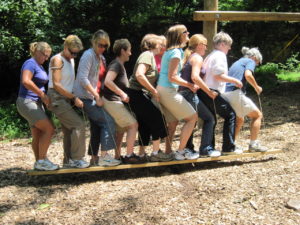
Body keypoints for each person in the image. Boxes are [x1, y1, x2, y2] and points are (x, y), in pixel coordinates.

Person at [73, 30, 121, 167]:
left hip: (95, 97)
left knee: (97, 127)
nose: (102, 48)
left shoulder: (102, 58)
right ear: (93, 42)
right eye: (100, 45)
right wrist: (96, 96)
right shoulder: (88, 56)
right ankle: (105, 157)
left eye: (105, 46)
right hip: (86, 97)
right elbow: (82, 78)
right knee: (108, 122)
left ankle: (94, 159)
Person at [127, 34, 173, 162]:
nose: (162, 46)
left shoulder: (150, 56)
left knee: (145, 123)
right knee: (158, 119)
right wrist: (153, 91)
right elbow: (139, 75)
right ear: (153, 44)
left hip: (138, 94)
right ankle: (155, 153)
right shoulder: (147, 55)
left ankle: (142, 155)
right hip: (136, 93)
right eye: (160, 44)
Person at [156, 24, 199, 160]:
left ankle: (169, 153)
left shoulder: (171, 51)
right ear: (180, 36)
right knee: (192, 118)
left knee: (173, 123)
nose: (188, 33)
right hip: (168, 91)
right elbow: (172, 76)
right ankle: (181, 151)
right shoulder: (175, 53)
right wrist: (190, 85)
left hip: (164, 90)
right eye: (186, 32)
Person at [47, 35, 89, 168]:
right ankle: (77, 159)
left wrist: (74, 96)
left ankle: (68, 161)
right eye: (72, 52)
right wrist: (73, 98)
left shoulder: (71, 60)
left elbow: (70, 83)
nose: (73, 55)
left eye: (76, 53)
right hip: (57, 97)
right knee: (78, 125)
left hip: (66, 97)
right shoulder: (57, 60)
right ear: (65, 47)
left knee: (69, 130)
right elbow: (57, 84)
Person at [199, 31, 243, 155]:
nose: (229, 48)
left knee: (211, 119)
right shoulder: (219, 55)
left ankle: (209, 148)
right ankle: (228, 147)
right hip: (211, 91)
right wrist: (234, 80)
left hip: (204, 91)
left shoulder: (210, 55)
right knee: (231, 115)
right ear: (222, 44)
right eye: (228, 45)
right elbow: (218, 75)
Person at [16, 42, 58, 171]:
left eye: (48, 56)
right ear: (37, 52)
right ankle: (41, 160)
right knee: (49, 129)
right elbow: (26, 81)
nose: (46, 58)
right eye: (45, 55)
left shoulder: (39, 65)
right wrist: (41, 94)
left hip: (35, 102)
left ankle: (39, 162)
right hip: (27, 102)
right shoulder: (30, 63)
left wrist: (44, 99)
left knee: (38, 134)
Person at [179, 34, 220, 157]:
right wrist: (209, 91)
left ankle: (188, 148)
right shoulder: (197, 58)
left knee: (191, 120)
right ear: (199, 45)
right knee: (209, 119)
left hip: (183, 92)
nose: (206, 48)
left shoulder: (189, 56)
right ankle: (205, 149)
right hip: (188, 93)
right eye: (205, 45)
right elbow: (195, 77)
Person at [102, 39, 142, 164]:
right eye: (129, 50)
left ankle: (117, 156)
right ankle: (129, 155)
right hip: (111, 101)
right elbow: (108, 81)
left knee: (121, 128)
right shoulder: (116, 65)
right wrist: (122, 94)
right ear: (123, 51)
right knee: (133, 125)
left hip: (114, 101)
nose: (130, 53)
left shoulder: (119, 65)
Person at [222, 47, 268, 152]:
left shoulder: (237, 62)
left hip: (225, 93)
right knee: (257, 115)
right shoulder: (249, 61)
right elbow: (248, 75)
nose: (256, 65)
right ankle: (253, 145)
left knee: (239, 119)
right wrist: (257, 87)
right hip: (235, 92)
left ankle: (230, 145)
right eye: (257, 62)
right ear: (254, 57)